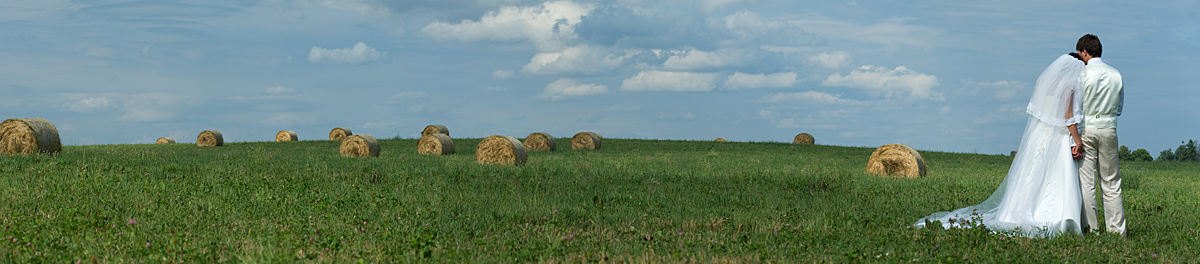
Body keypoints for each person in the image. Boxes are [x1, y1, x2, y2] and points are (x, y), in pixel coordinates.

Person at [914, 53, 1086, 238]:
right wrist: (1078, 141)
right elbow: (1068, 116)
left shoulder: (1043, 82)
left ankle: (1016, 212)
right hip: (1056, 136)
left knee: (1031, 174)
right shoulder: (1069, 86)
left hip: (1038, 135)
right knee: (1056, 175)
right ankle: (1054, 217)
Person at [1075, 34, 1126, 237]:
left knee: (1087, 183)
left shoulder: (1081, 74)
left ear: (1085, 52)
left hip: (1087, 129)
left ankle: (1091, 230)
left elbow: (1076, 105)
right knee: (1111, 182)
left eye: (1080, 53)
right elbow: (1119, 108)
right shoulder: (1116, 74)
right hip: (1109, 128)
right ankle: (1117, 232)